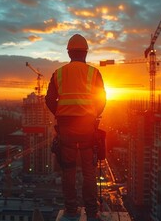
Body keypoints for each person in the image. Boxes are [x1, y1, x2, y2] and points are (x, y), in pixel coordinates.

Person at [45, 34, 106, 221]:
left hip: (67, 129)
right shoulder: (93, 73)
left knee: (69, 170)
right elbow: (102, 100)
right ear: (85, 53)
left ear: (69, 53)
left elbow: (49, 100)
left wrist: (60, 113)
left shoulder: (59, 73)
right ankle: (91, 212)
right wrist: (93, 115)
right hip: (87, 128)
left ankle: (71, 209)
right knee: (89, 172)